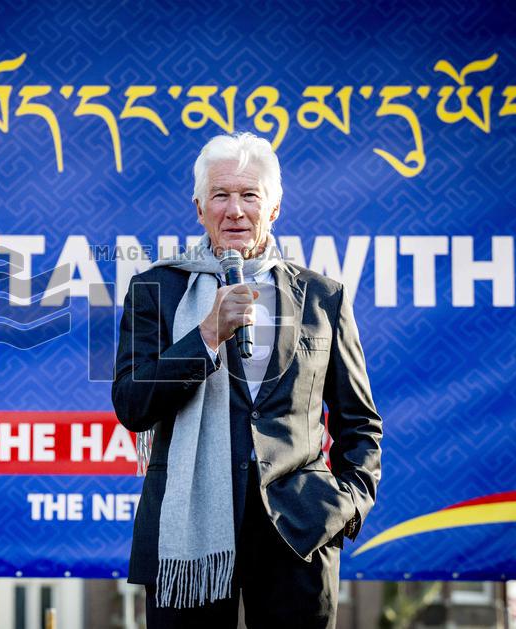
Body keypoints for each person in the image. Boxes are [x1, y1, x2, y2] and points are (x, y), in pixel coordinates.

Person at [112, 131, 383, 628]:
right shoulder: (156, 288)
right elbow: (132, 404)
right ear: (199, 209)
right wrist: (206, 336)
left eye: (249, 195)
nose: (234, 210)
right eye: (220, 195)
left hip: (299, 532)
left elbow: (359, 422)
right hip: (187, 537)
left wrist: (345, 507)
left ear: (274, 208)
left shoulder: (322, 297)